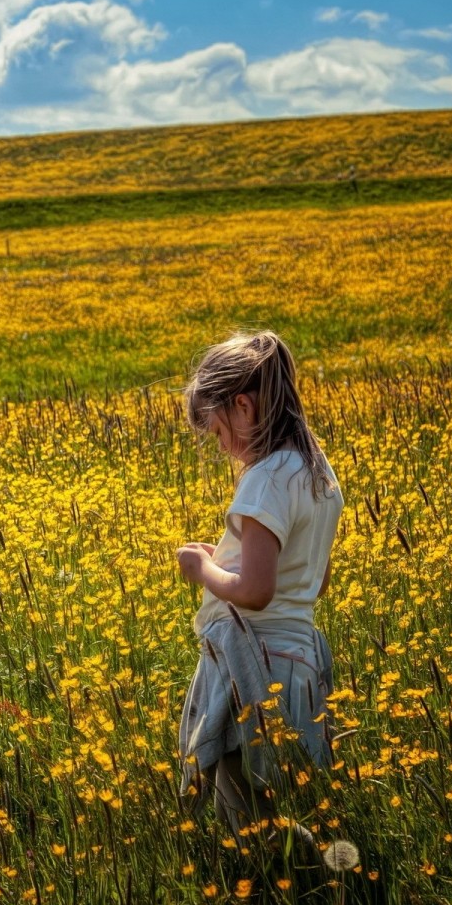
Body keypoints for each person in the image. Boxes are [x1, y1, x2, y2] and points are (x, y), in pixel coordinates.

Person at [174, 329, 344, 847]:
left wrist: (202, 568)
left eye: (219, 431)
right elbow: (314, 582)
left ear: (244, 406)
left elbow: (254, 591)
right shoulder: (315, 472)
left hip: (254, 667)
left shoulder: (266, 477)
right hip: (298, 664)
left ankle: (313, 882)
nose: (222, 446)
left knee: (250, 819)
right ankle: (317, 881)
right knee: (268, 803)